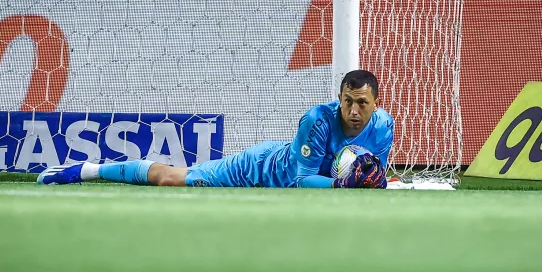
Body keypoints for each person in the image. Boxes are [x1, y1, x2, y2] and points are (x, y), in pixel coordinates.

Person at [37, 69, 394, 189]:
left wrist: (367, 181)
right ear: (339, 97)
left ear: (375, 104)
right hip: (262, 169)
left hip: (315, 180)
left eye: (362, 103)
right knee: (172, 179)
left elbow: (369, 175)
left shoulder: (383, 127)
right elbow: (301, 181)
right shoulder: (317, 119)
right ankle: (86, 170)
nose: (353, 110)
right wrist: (339, 183)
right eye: (347, 100)